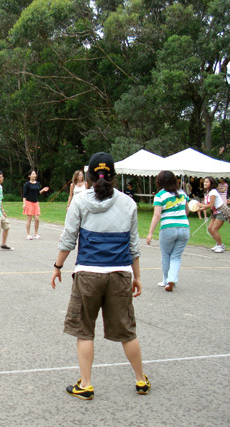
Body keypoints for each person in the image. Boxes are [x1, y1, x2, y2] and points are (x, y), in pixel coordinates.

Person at [51, 152, 149, 400]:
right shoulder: (128, 203)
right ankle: (140, 380)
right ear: (114, 176)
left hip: (88, 274)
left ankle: (86, 384)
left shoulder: (80, 201)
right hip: (119, 274)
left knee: (84, 330)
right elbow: (133, 246)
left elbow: (68, 239)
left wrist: (57, 266)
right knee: (127, 330)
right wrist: (136, 276)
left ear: (88, 176)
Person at [146, 171, 190, 292]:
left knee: (166, 255)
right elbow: (187, 210)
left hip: (168, 228)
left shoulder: (160, 195)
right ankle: (172, 279)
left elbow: (157, 215)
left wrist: (150, 233)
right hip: (184, 227)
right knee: (176, 256)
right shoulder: (182, 193)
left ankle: (166, 280)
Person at [196, 177, 226, 253]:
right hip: (215, 212)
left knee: (214, 229)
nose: (204, 183)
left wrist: (200, 205)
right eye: (204, 182)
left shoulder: (213, 192)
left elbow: (210, 205)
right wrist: (200, 209)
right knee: (210, 228)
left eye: (207, 182)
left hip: (221, 211)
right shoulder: (208, 192)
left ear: (211, 183)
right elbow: (208, 205)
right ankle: (218, 244)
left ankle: (221, 246)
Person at [23, 170, 49, 240]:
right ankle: (28, 234)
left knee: (37, 219)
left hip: (36, 202)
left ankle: (36, 234)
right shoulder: (27, 184)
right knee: (29, 219)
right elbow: (24, 195)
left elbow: (38, 193)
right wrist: (24, 204)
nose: (34, 175)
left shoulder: (38, 183)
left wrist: (43, 190)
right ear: (29, 176)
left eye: (35, 174)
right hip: (29, 202)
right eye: (33, 174)